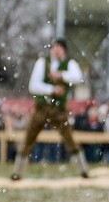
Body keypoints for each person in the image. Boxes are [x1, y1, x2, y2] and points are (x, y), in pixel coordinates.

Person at [13, 39, 90, 180]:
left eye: (60, 47)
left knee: (69, 139)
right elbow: (33, 86)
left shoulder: (70, 64)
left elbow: (78, 78)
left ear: (64, 50)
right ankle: (17, 172)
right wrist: (52, 89)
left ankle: (83, 170)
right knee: (28, 139)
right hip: (41, 107)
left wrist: (61, 75)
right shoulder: (42, 63)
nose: (57, 50)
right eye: (55, 47)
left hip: (58, 109)